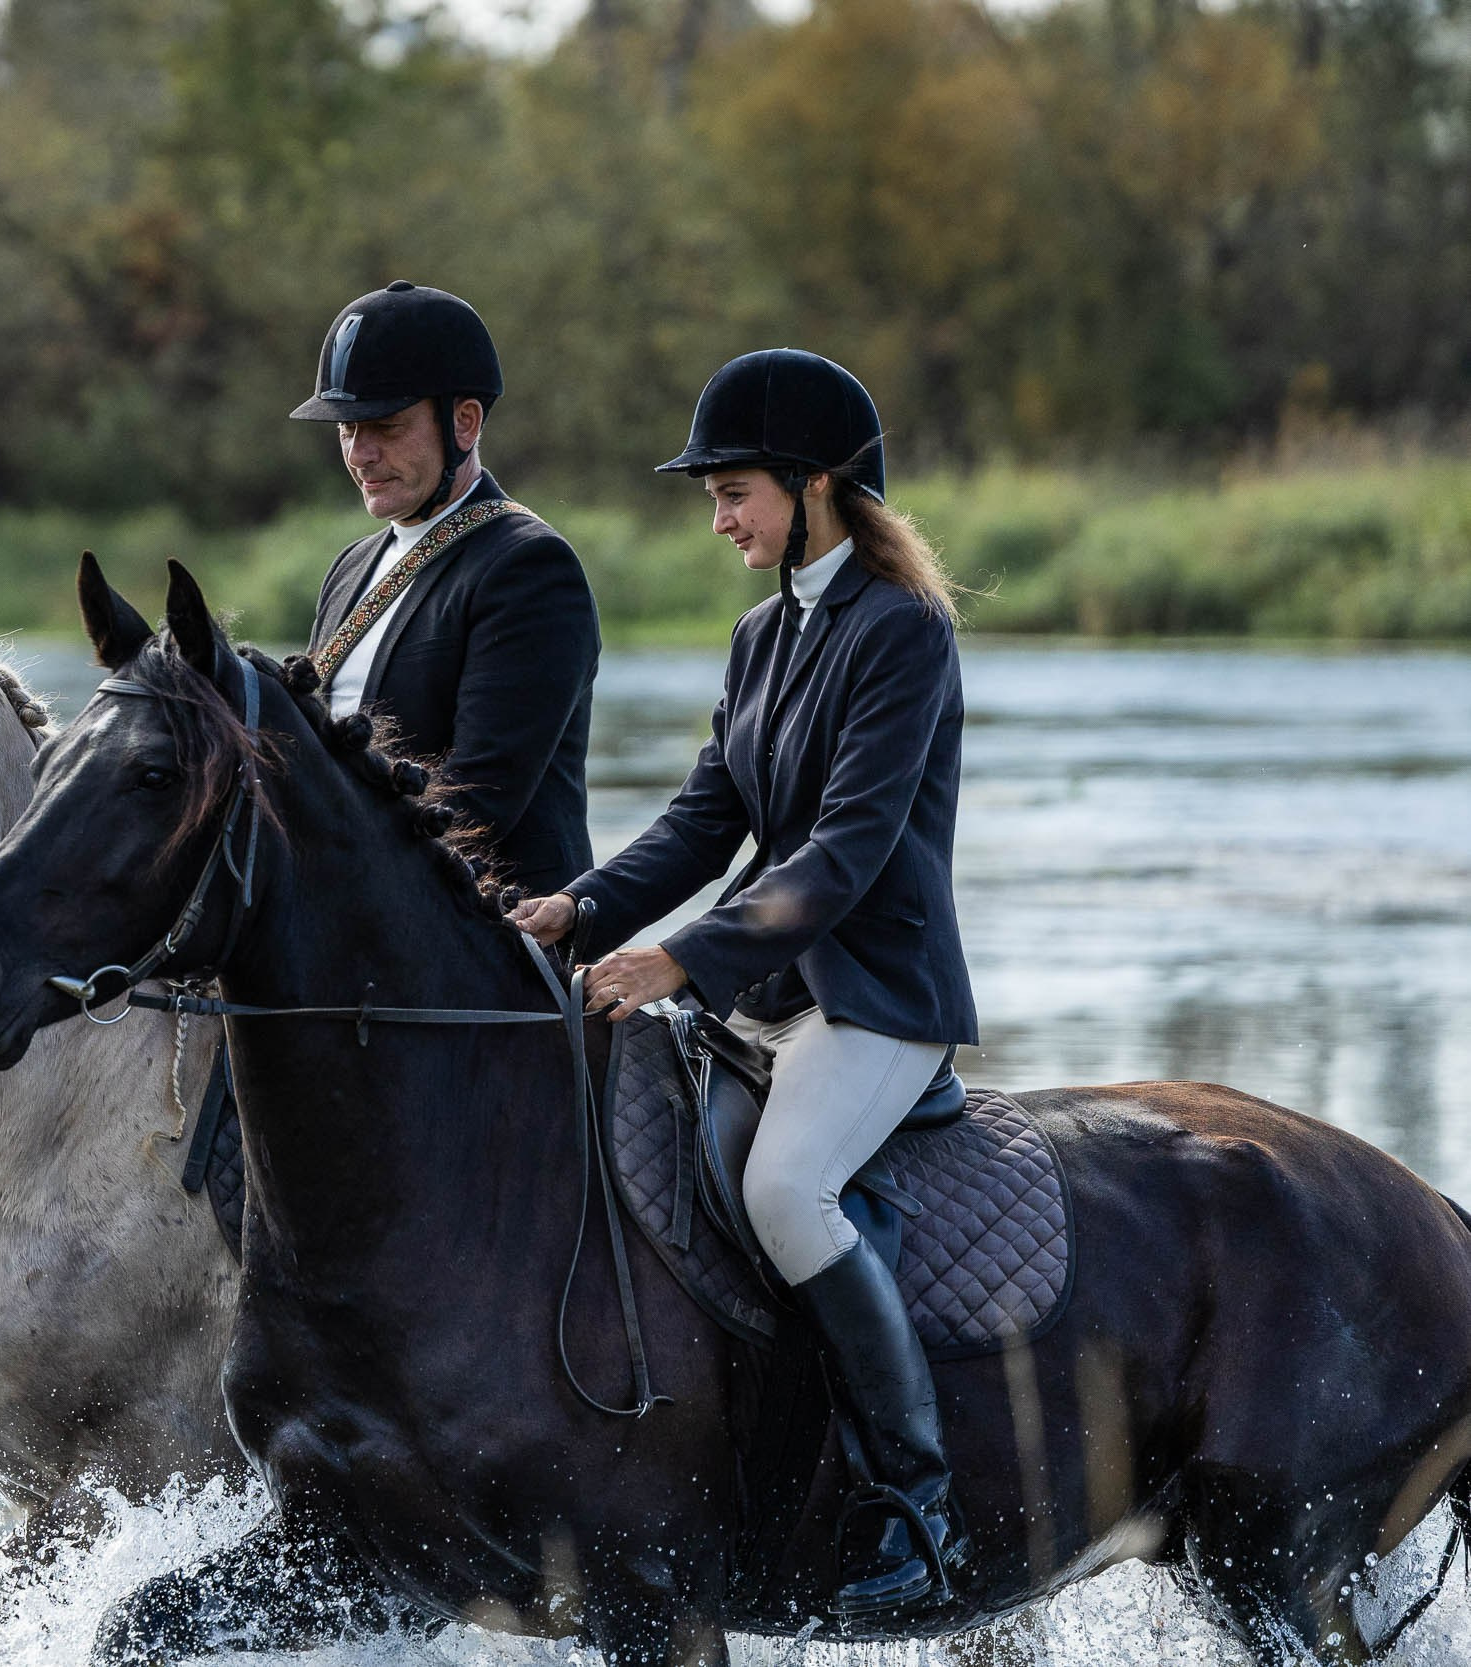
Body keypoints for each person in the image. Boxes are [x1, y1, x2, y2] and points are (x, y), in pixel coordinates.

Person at [509, 348, 976, 1620]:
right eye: (712, 499)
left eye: (733, 494)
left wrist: (679, 954)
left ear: (816, 484)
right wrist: (586, 904)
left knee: (784, 1185)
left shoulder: (903, 631)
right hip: (765, 998)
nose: (719, 519)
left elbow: (844, 852)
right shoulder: (762, 632)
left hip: (877, 998)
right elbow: (706, 815)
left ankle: (913, 1502)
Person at [290, 282, 600, 896]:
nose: (361, 454)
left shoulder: (529, 565)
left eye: (385, 426)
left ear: (464, 421)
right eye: (347, 430)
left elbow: (475, 802)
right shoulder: (351, 566)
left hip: (492, 945)